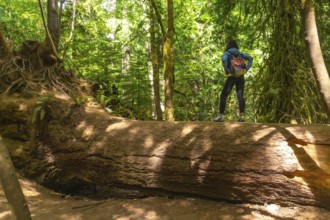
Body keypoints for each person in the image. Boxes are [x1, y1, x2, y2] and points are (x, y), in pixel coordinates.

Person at [214, 39, 253, 122]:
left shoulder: (227, 53)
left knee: (223, 95)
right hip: (240, 76)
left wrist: (226, 69)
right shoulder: (239, 53)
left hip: (232, 76)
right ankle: (242, 117)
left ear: (228, 45)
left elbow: (224, 59)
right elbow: (250, 58)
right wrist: (247, 69)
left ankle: (221, 116)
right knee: (240, 96)